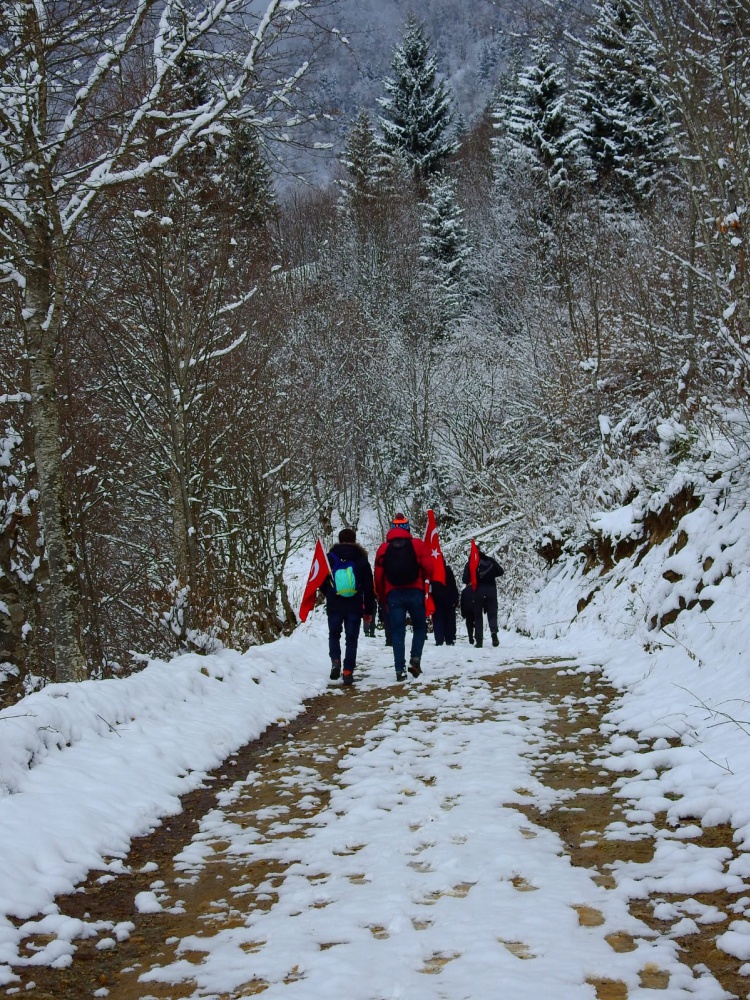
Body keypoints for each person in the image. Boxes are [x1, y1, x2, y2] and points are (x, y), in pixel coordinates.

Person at [374, 513, 435, 681]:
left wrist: (382, 594)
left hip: (393, 594)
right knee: (420, 627)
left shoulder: (383, 549)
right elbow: (430, 568)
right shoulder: (418, 545)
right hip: (415, 591)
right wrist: (424, 580)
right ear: (408, 528)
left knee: (397, 632)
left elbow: (378, 576)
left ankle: (399, 669)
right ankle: (415, 660)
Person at [321, 528, 375, 685]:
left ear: (339, 540)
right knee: (351, 639)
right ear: (354, 539)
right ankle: (348, 670)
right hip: (354, 604)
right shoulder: (362, 559)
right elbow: (369, 588)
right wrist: (368, 611)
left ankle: (335, 661)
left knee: (334, 634)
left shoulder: (329, 558)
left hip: (334, 604)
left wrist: (330, 593)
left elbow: (320, 581)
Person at [462, 547, 504, 648]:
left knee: (477, 616)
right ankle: (494, 632)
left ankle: (479, 641)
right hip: (491, 591)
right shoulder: (490, 560)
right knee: (492, 614)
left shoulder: (471, 563)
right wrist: (491, 574)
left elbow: (465, 579)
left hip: (477, 592)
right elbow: (501, 571)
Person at [431, 557, 459, 646]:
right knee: (449, 619)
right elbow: (453, 585)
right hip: (448, 598)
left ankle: (439, 639)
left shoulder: (433, 571)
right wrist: (456, 598)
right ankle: (449, 639)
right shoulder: (447, 570)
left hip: (437, 598)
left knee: (438, 619)